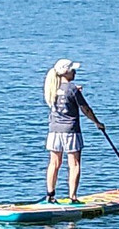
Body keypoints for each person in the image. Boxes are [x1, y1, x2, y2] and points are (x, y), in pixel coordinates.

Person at [42, 58, 104, 204]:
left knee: (54, 163)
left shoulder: (52, 87)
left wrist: (76, 91)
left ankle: (50, 195)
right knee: (74, 163)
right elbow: (86, 109)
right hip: (71, 130)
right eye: (72, 70)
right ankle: (73, 197)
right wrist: (97, 123)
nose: (75, 72)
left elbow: (64, 96)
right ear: (66, 72)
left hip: (54, 130)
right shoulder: (72, 89)